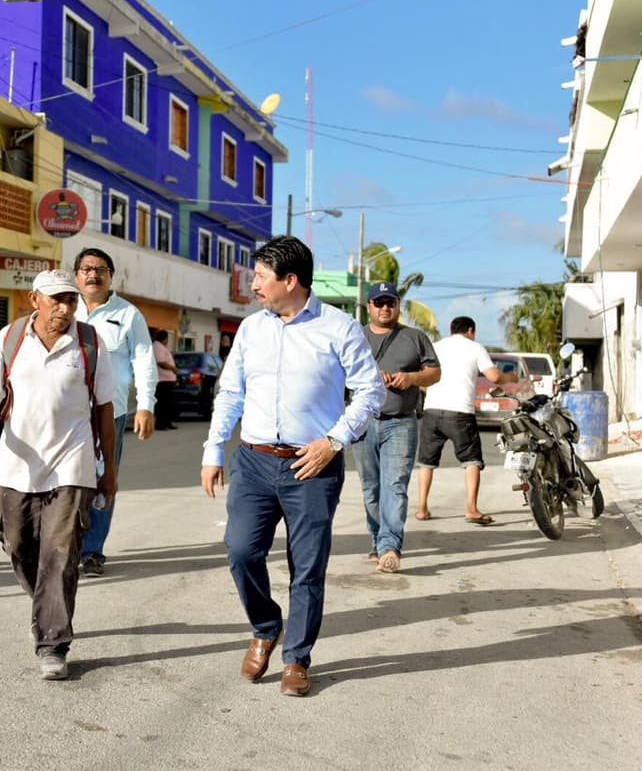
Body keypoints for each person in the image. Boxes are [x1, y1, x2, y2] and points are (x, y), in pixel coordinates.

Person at [201, 236, 384, 697]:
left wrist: (334, 440)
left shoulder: (339, 328)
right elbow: (231, 393)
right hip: (256, 461)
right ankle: (265, 626)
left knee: (307, 566)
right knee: (241, 550)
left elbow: (370, 392)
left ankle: (296, 658)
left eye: (262, 275)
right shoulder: (251, 329)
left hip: (312, 465)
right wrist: (213, 450)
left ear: (291, 280)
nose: (254, 283)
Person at [0, 269, 116, 681]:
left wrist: (108, 469)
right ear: (34, 299)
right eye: (56, 299)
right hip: (16, 463)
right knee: (20, 545)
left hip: (72, 462)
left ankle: (53, 643)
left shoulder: (91, 343)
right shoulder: (9, 340)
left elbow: (105, 410)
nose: (64, 308)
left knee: (60, 554)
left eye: (71, 300)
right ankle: (45, 605)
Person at [73, 247, 157, 577]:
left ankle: (92, 550)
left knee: (103, 479)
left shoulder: (128, 314)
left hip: (112, 412)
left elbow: (144, 362)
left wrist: (146, 406)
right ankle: (65, 543)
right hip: (67, 412)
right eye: (86, 269)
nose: (93, 275)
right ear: (76, 274)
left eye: (100, 269)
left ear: (111, 275)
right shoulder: (64, 308)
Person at [353, 282, 441, 573]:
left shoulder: (414, 337)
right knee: (370, 487)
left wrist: (411, 379)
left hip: (401, 422)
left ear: (398, 305)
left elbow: (434, 372)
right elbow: (335, 372)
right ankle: (377, 539)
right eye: (378, 303)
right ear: (369, 307)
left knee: (394, 485)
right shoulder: (355, 336)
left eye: (390, 302)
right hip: (362, 422)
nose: (385, 308)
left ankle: (390, 546)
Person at [414, 316, 516, 524]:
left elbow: (422, 378)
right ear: (471, 330)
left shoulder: (435, 347)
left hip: (432, 410)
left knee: (426, 462)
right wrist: (511, 378)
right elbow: (494, 377)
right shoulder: (475, 347)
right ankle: (471, 508)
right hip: (460, 412)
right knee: (471, 461)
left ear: (452, 330)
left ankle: (422, 508)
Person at [152, 329, 178, 430]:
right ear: (164, 338)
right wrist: (173, 368)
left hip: (168, 380)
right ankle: (161, 424)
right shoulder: (157, 346)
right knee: (162, 404)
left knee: (168, 403)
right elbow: (161, 362)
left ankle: (167, 422)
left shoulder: (161, 347)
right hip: (162, 380)